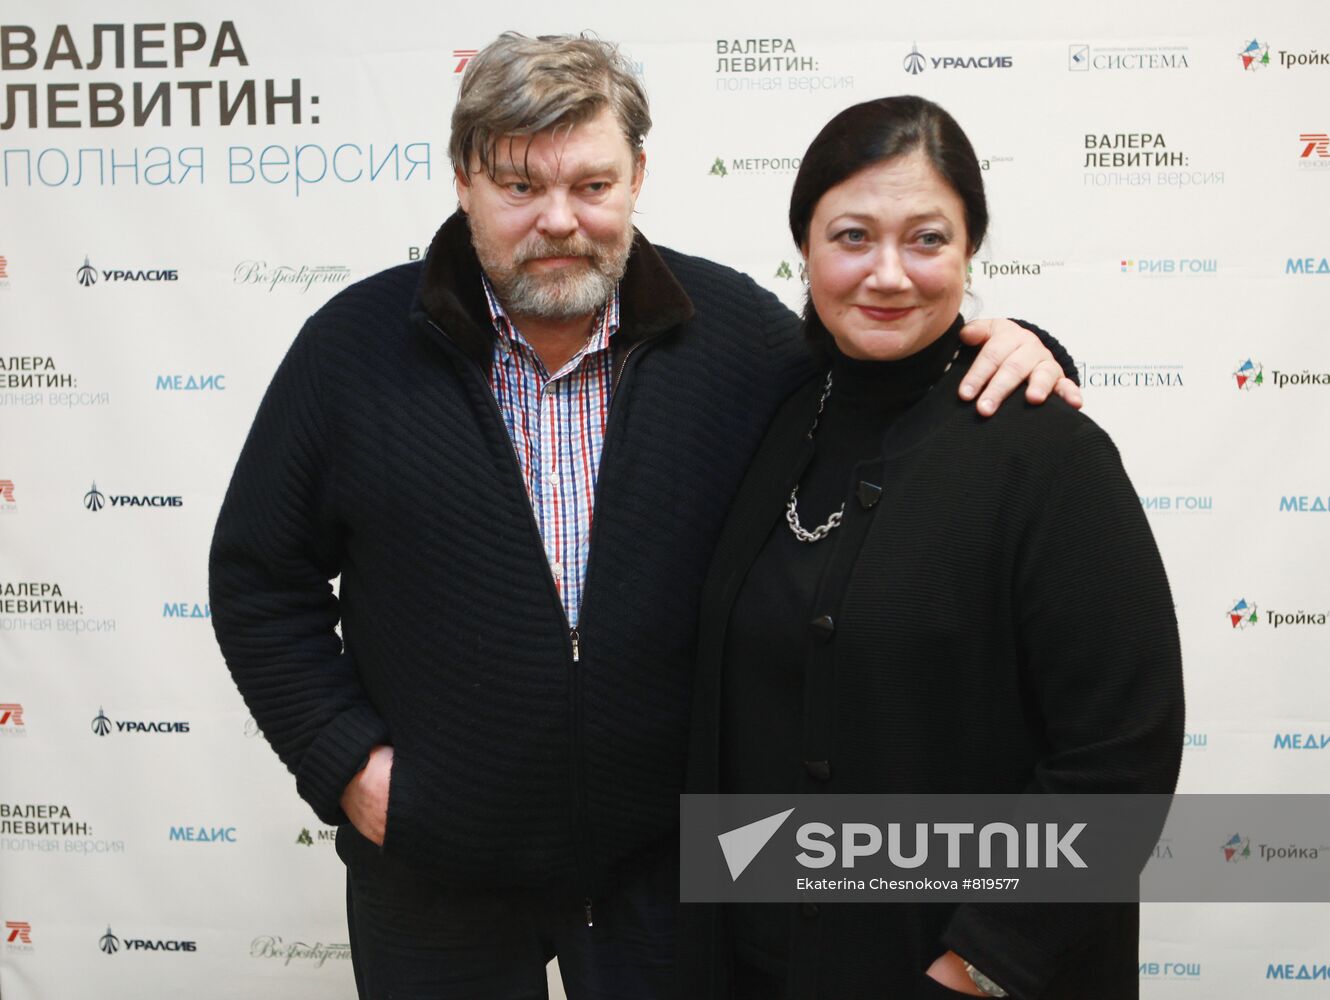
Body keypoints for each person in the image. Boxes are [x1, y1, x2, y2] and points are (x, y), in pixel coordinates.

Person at [208, 35, 1081, 1000]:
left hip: (669, 875)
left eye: (591, 185)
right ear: (463, 182)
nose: (559, 221)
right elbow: (258, 579)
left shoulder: (735, 334)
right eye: (520, 187)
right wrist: (348, 765)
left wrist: (1015, 347)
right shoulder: (353, 350)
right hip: (432, 870)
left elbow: (888, 366)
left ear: (637, 177)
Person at [683, 95, 1184, 1000]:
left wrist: (977, 966)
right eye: (852, 237)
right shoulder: (777, 415)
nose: (888, 274)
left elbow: (1121, 756)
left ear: (969, 250)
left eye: (926, 239)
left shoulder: (1047, 452)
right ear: (804, 247)